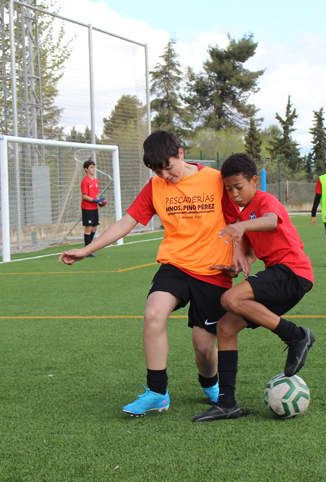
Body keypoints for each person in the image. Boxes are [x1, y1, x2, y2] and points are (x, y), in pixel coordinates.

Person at [60, 130, 234, 417]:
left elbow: (241, 217)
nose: (166, 175)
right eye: (158, 171)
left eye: (168, 167)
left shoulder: (215, 179)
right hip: (176, 265)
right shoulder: (155, 187)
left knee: (203, 347)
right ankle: (157, 392)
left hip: (213, 270)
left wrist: (244, 255)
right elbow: (126, 221)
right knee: (153, 313)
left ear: (180, 153)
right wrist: (87, 249)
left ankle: (210, 384)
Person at [194, 153, 315, 422]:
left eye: (238, 187)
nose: (234, 194)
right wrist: (235, 266)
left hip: (293, 271)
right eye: (228, 189)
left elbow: (272, 220)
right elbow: (249, 255)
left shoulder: (263, 201)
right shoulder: (246, 213)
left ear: (253, 180)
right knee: (225, 327)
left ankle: (296, 336)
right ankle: (227, 403)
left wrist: (241, 226)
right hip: (279, 275)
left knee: (230, 298)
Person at [80, 159, 106, 254]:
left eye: (94, 167)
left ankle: (89, 248)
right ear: (86, 169)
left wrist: (100, 201)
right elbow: (84, 196)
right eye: (91, 167)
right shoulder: (85, 181)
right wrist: (94, 200)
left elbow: (96, 195)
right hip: (87, 208)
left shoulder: (95, 180)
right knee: (89, 227)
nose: (93, 169)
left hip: (94, 208)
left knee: (94, 227)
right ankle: (87, 250)